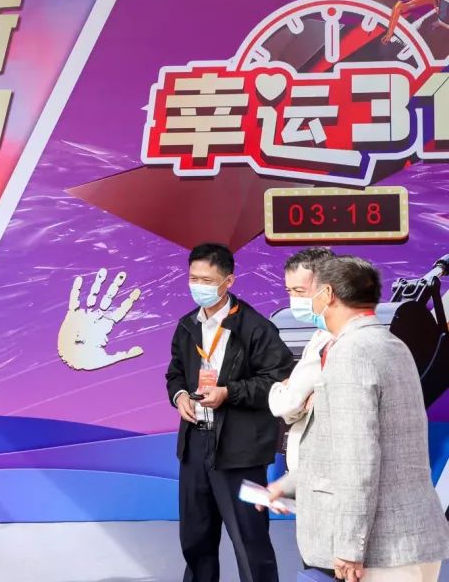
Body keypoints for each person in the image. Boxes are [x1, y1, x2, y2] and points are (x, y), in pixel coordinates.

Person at [267, 256, 449, 582]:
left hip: (380, 551)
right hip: (415, 539)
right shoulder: (392, 345)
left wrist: (350, 546)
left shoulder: (349, 353)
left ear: (327, 294)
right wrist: (290, 484)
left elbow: (358, 459)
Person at [166, 243, 295, 582]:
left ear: (228, 281)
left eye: (207, 280)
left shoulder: (256, 328)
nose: (198, 286)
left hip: (240, 451)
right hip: (195, 446)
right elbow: (175, 373)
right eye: (193, 278)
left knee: (250, 541)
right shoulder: (186, 325)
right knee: (195, 540)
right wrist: (180, 395)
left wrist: (229, 393)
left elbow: (279, 380)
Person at [268, 248, 336, 481]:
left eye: (300, 291)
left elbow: (286, 404)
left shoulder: (331, 339)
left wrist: (281, 388)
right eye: (289, 291)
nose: (293, 300)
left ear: (328, 289)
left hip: (321, 472)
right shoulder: (319, 335)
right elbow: (294, 408)